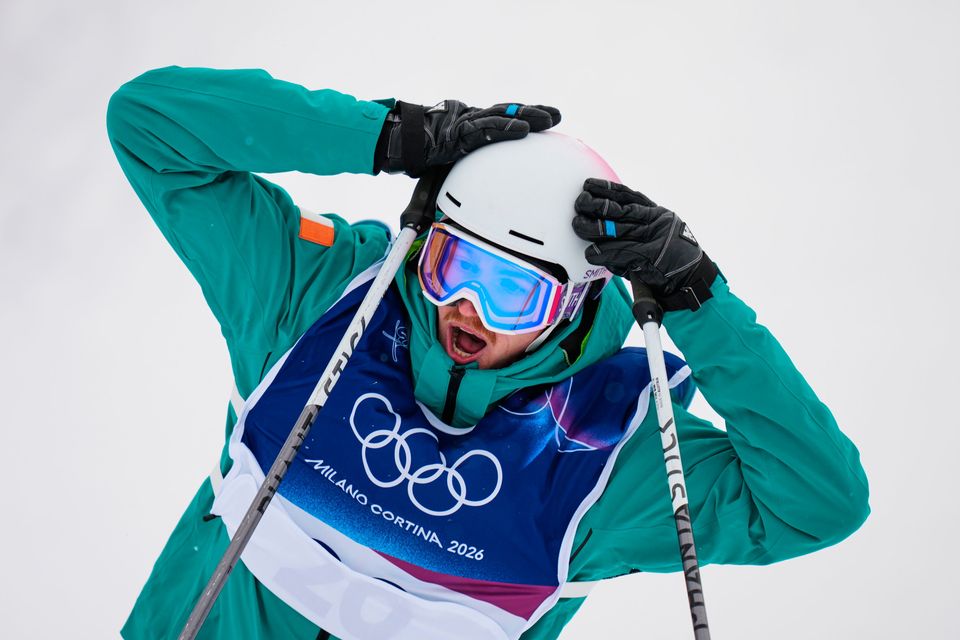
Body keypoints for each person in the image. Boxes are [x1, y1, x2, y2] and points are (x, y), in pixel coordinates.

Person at [106, 66, 870, 640]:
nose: (465, 307)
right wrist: (382, 134)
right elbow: (148, 124)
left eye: (513, 294)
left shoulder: (603, 461)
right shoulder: (317, 302)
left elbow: (817, 503)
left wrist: (699, 301)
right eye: (451, 266)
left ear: (574, 299)